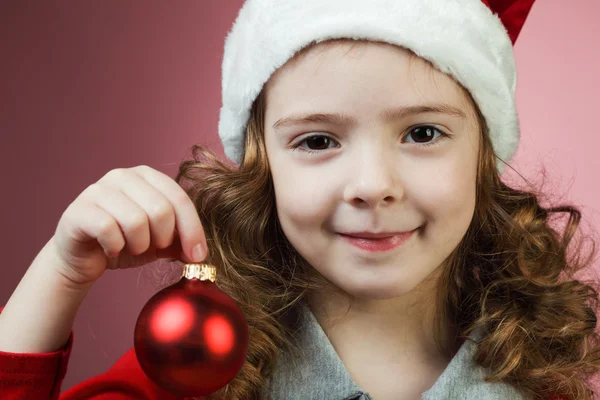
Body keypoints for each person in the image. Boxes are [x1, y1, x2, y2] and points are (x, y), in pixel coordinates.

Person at [0, 0, 598, 399]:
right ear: (264, 166)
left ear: (483, 155)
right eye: (317, 140)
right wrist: (61, 272)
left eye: (422, 133)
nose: (371, 184)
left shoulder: (537, 380)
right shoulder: (193, 369)